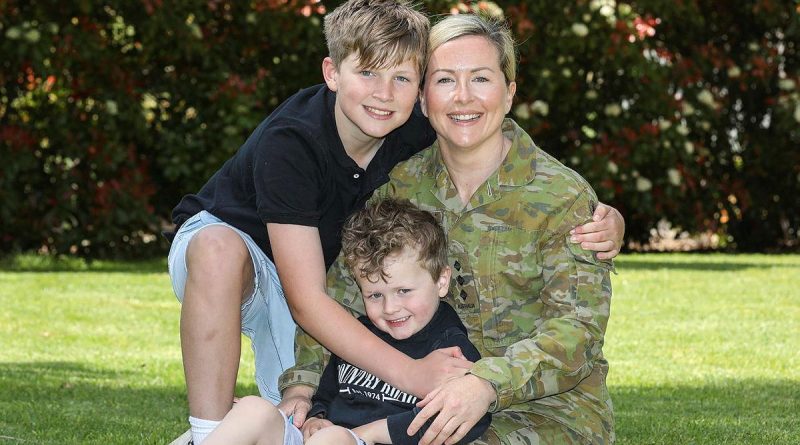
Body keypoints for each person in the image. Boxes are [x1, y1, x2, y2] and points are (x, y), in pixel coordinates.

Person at [167, 0, 622, 442]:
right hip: (402, 402)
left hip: (538, 413)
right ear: (426, 98)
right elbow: (342, 290)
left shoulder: (561, 197)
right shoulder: (398, 182)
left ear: (510, 92)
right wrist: (304, 384)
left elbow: (576, 331)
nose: (463, 97)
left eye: (481, 79)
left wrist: (485, 383)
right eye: (445, 80)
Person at [202, 199, 491, 445]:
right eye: (375, 295)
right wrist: (316, 418)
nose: (390, 308)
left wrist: (365, 433)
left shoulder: (450, 345)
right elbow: (328, 392)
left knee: (333, 440)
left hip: (366, 440)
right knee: (254, 409)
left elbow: (470, 416)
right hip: (328, 438)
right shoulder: (361, 334)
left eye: (404, 291)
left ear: (441, 281)